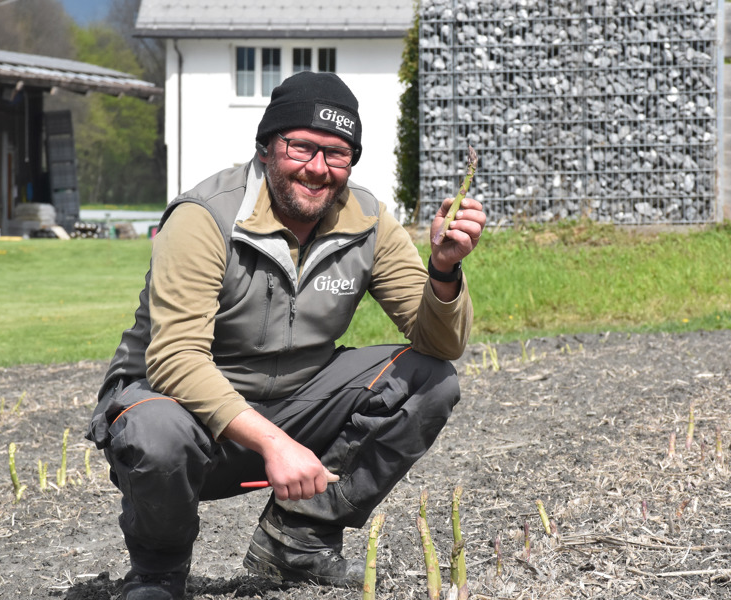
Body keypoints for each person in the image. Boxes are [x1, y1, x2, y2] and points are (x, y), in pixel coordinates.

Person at [86, 71, 487, 600]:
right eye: (301, 147)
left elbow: (440, 345)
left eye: (337, 154)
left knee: (430, 381)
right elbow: (175, 359)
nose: (318, 168)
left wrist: (442, 272)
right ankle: (158, 571)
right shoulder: (204, 217)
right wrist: (274, 444)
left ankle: (295, 542)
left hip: (296, 411)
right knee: (156, 429)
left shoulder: (367, 221)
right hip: (188, 424)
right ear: (267, 146)